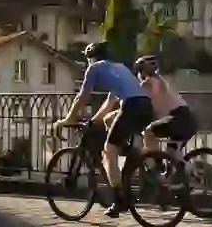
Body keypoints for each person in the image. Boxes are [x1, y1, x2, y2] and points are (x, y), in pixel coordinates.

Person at [55, 42, 155, 217]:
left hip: (131, 107)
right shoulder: (120, 68)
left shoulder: (94, 68)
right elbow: (110, 103)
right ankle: (138, 174)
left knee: (109, 150)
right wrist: (94, 122)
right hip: (146, 106)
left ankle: (119, 199)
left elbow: (83, 96)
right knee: (120, 145)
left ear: (90, 57)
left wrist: (69, 119)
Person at [132, 55, 198, 152]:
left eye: (139, 71)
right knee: (171, 154)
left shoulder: (148, 83)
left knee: (148, 132)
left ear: (143, 71)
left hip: (176, 119)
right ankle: (185, 166)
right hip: (189, 120)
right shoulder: (162, 81)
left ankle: (156, 164)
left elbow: (142, 104)